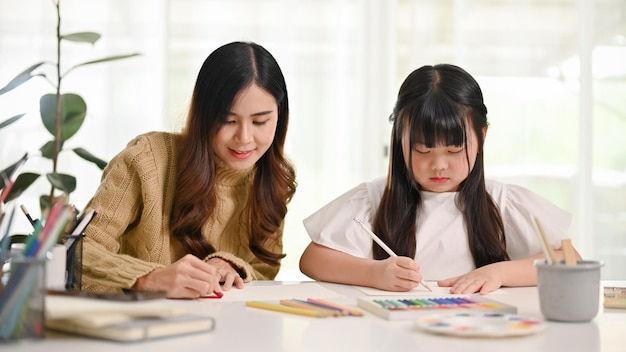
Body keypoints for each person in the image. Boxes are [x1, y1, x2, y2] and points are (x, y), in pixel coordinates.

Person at [299, 64, 580, 295]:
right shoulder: (374, 198)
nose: (439, 165)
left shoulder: (502, 201)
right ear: (400, 140)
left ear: (482, 137)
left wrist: (499, 272)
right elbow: (313, 259)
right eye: (423, 150)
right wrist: (374, 273)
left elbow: (569, 259)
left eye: (454, 150)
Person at [81, 41, 297, 299]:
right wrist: (148, 278)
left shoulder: (274, 178)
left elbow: (264, 270)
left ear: (279, 117)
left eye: (260, 121)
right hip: (133, 325)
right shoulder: (147, 159)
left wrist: (230, 266)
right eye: (228, 120)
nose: (245, 137)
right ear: (203, 115)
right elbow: (78, 249)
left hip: (222, 330)